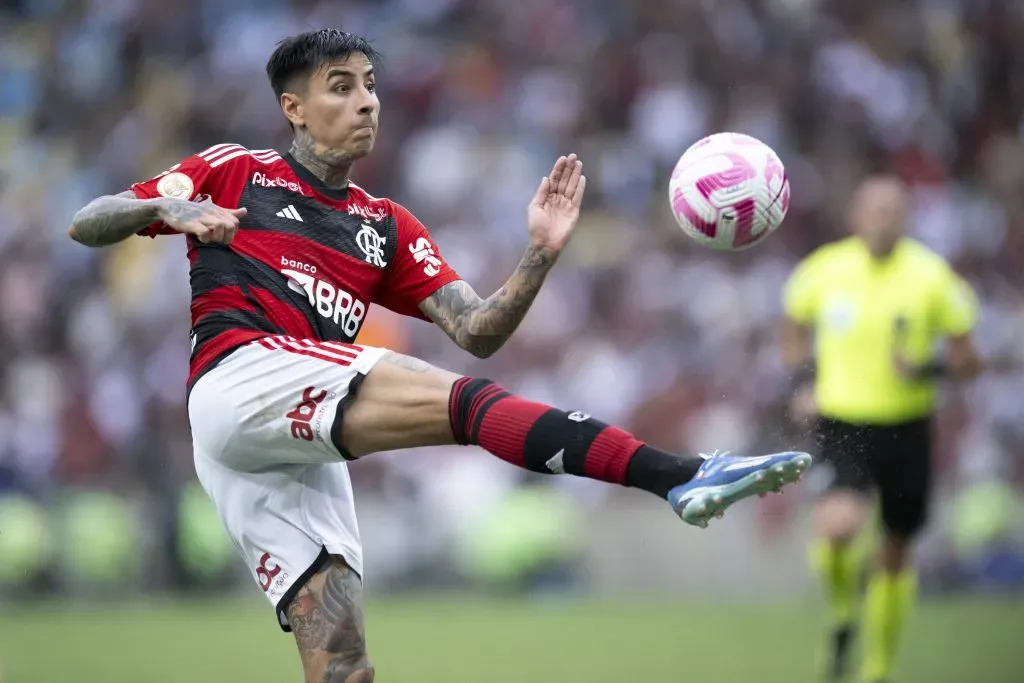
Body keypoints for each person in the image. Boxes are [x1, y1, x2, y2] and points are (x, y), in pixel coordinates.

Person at [69, 29, 810, 683]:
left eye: (369, 85)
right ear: (293, 108)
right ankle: (677, 475)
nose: (366, 102)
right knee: (466, 403)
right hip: (240, 377)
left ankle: (677, 477)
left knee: (343, 664)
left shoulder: (384, 226)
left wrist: (539, 254)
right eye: (340, 87)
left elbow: (478, 328)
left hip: (288, 442)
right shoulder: (235, 170)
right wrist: (163, 206)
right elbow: (89, 221)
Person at [780, 175, 982, 683]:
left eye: (892, 210)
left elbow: (969, 361)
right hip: (842, 421)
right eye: (874, 209)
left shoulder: (932, 277)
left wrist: (927, 368)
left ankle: (879, 667)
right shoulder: (823, 270)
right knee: (836, 528)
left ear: (906, 218)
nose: (882, 219)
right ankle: (844, 612)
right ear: (855, 215)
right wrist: (804, 384)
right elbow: (793, 334)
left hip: (907, 426)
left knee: (894, 549)